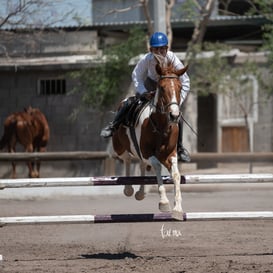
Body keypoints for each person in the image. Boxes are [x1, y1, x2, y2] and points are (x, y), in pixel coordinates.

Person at [101, 32, 191, 162]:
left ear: (167, 48)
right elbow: (136, 76)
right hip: (150, 85)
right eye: (156, 49)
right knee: (129, 103)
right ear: (151, 50)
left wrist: (177, 102)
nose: (160, 52)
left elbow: (186, 82)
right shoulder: (146, 59)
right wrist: (143, 92)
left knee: (178, 117)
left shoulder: (173, 58)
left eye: (162, 49)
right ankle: (113, 126)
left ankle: (180, 148)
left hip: (167, 91)